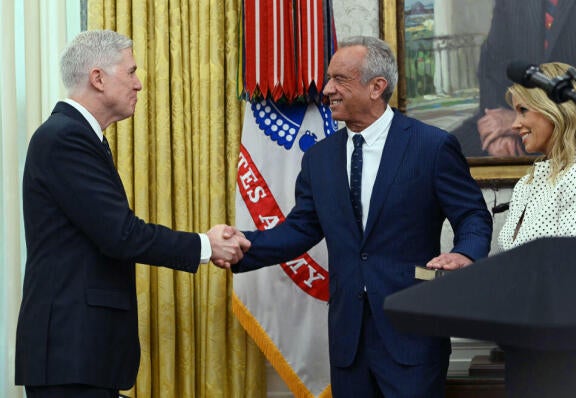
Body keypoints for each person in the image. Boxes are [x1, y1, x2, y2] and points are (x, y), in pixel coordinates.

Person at [224, 36, 492, 398]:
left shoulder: (431, 146)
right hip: (349, 340)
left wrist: (465, 253)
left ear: (376, 87)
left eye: (340, 80)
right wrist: (241, 246)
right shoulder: (318, 159)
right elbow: (300, 230)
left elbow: (473, 214)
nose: (327, 89)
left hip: (411, 334)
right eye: (329, 79)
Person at [15, 30, 250, 397]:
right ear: (98, 78)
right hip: (71, 352)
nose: (139, 84)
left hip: (83, 353)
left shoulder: (78, 136)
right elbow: (121, 234)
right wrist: (205, 245)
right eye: (131, 72)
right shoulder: (65, 138)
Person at [451, 0, 576, 157]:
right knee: (444, 153)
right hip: (511, 117)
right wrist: (495, 131)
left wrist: (530, 118)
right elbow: (493, 65)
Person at [497, 62, 576, 251]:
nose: (514, 124)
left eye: (523, 110)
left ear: (555, 109)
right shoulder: (526, 183)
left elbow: (575, 264)